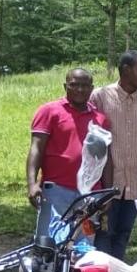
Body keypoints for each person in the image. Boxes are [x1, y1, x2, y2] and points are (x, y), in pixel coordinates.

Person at [90, 51, 137, 260]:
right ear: (125, 70)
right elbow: (93, 142)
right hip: (108, 183)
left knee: (123, 233)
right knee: (104, 233)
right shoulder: (101, 97)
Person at [27, 68, 109, 240]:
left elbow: (105, 158)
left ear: (92, 88)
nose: (80, 89)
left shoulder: (99, 118)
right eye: (74, 85)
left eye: (85, 86)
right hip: (56, 190)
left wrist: (106, 193)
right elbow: (36, 149)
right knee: (49, 244)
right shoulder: (49, 112)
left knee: (84, 246)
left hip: (89, 193)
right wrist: (32, 184)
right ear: (65, 86)